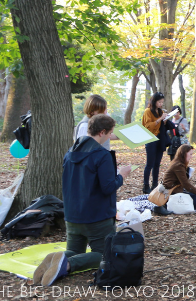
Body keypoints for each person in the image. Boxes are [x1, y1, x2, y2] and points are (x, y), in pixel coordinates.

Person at [37, 114, 131, 286]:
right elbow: (108, 187)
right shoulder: (102, 155)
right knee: (105, 254)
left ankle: (56, 259)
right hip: (96, 216)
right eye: (110, 133)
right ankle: (67, 264)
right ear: (102, 132)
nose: (110, 137)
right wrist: (122, 175)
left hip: (72, 214)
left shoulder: (70, 152)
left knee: (74, 250)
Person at [141, 92, 174, 194]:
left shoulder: (160, 111)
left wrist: (165, 119)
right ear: (154, 101)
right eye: (159, 102)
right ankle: (146, 185)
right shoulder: (148, 112)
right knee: (149, 164)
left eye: (162, 102)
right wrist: (160, 119)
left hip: (160, 139)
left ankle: (154, 184)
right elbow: (148, 126)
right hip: (150, 139)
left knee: (157, 164)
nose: (161, 104)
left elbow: (161, 125)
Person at [162, 145, 196, 210]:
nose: (191, 157)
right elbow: (185, 183)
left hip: (177, 190)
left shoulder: (179, 164)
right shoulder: (178, 166)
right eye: (190, 154)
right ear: (184, 154)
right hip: (172, 193)